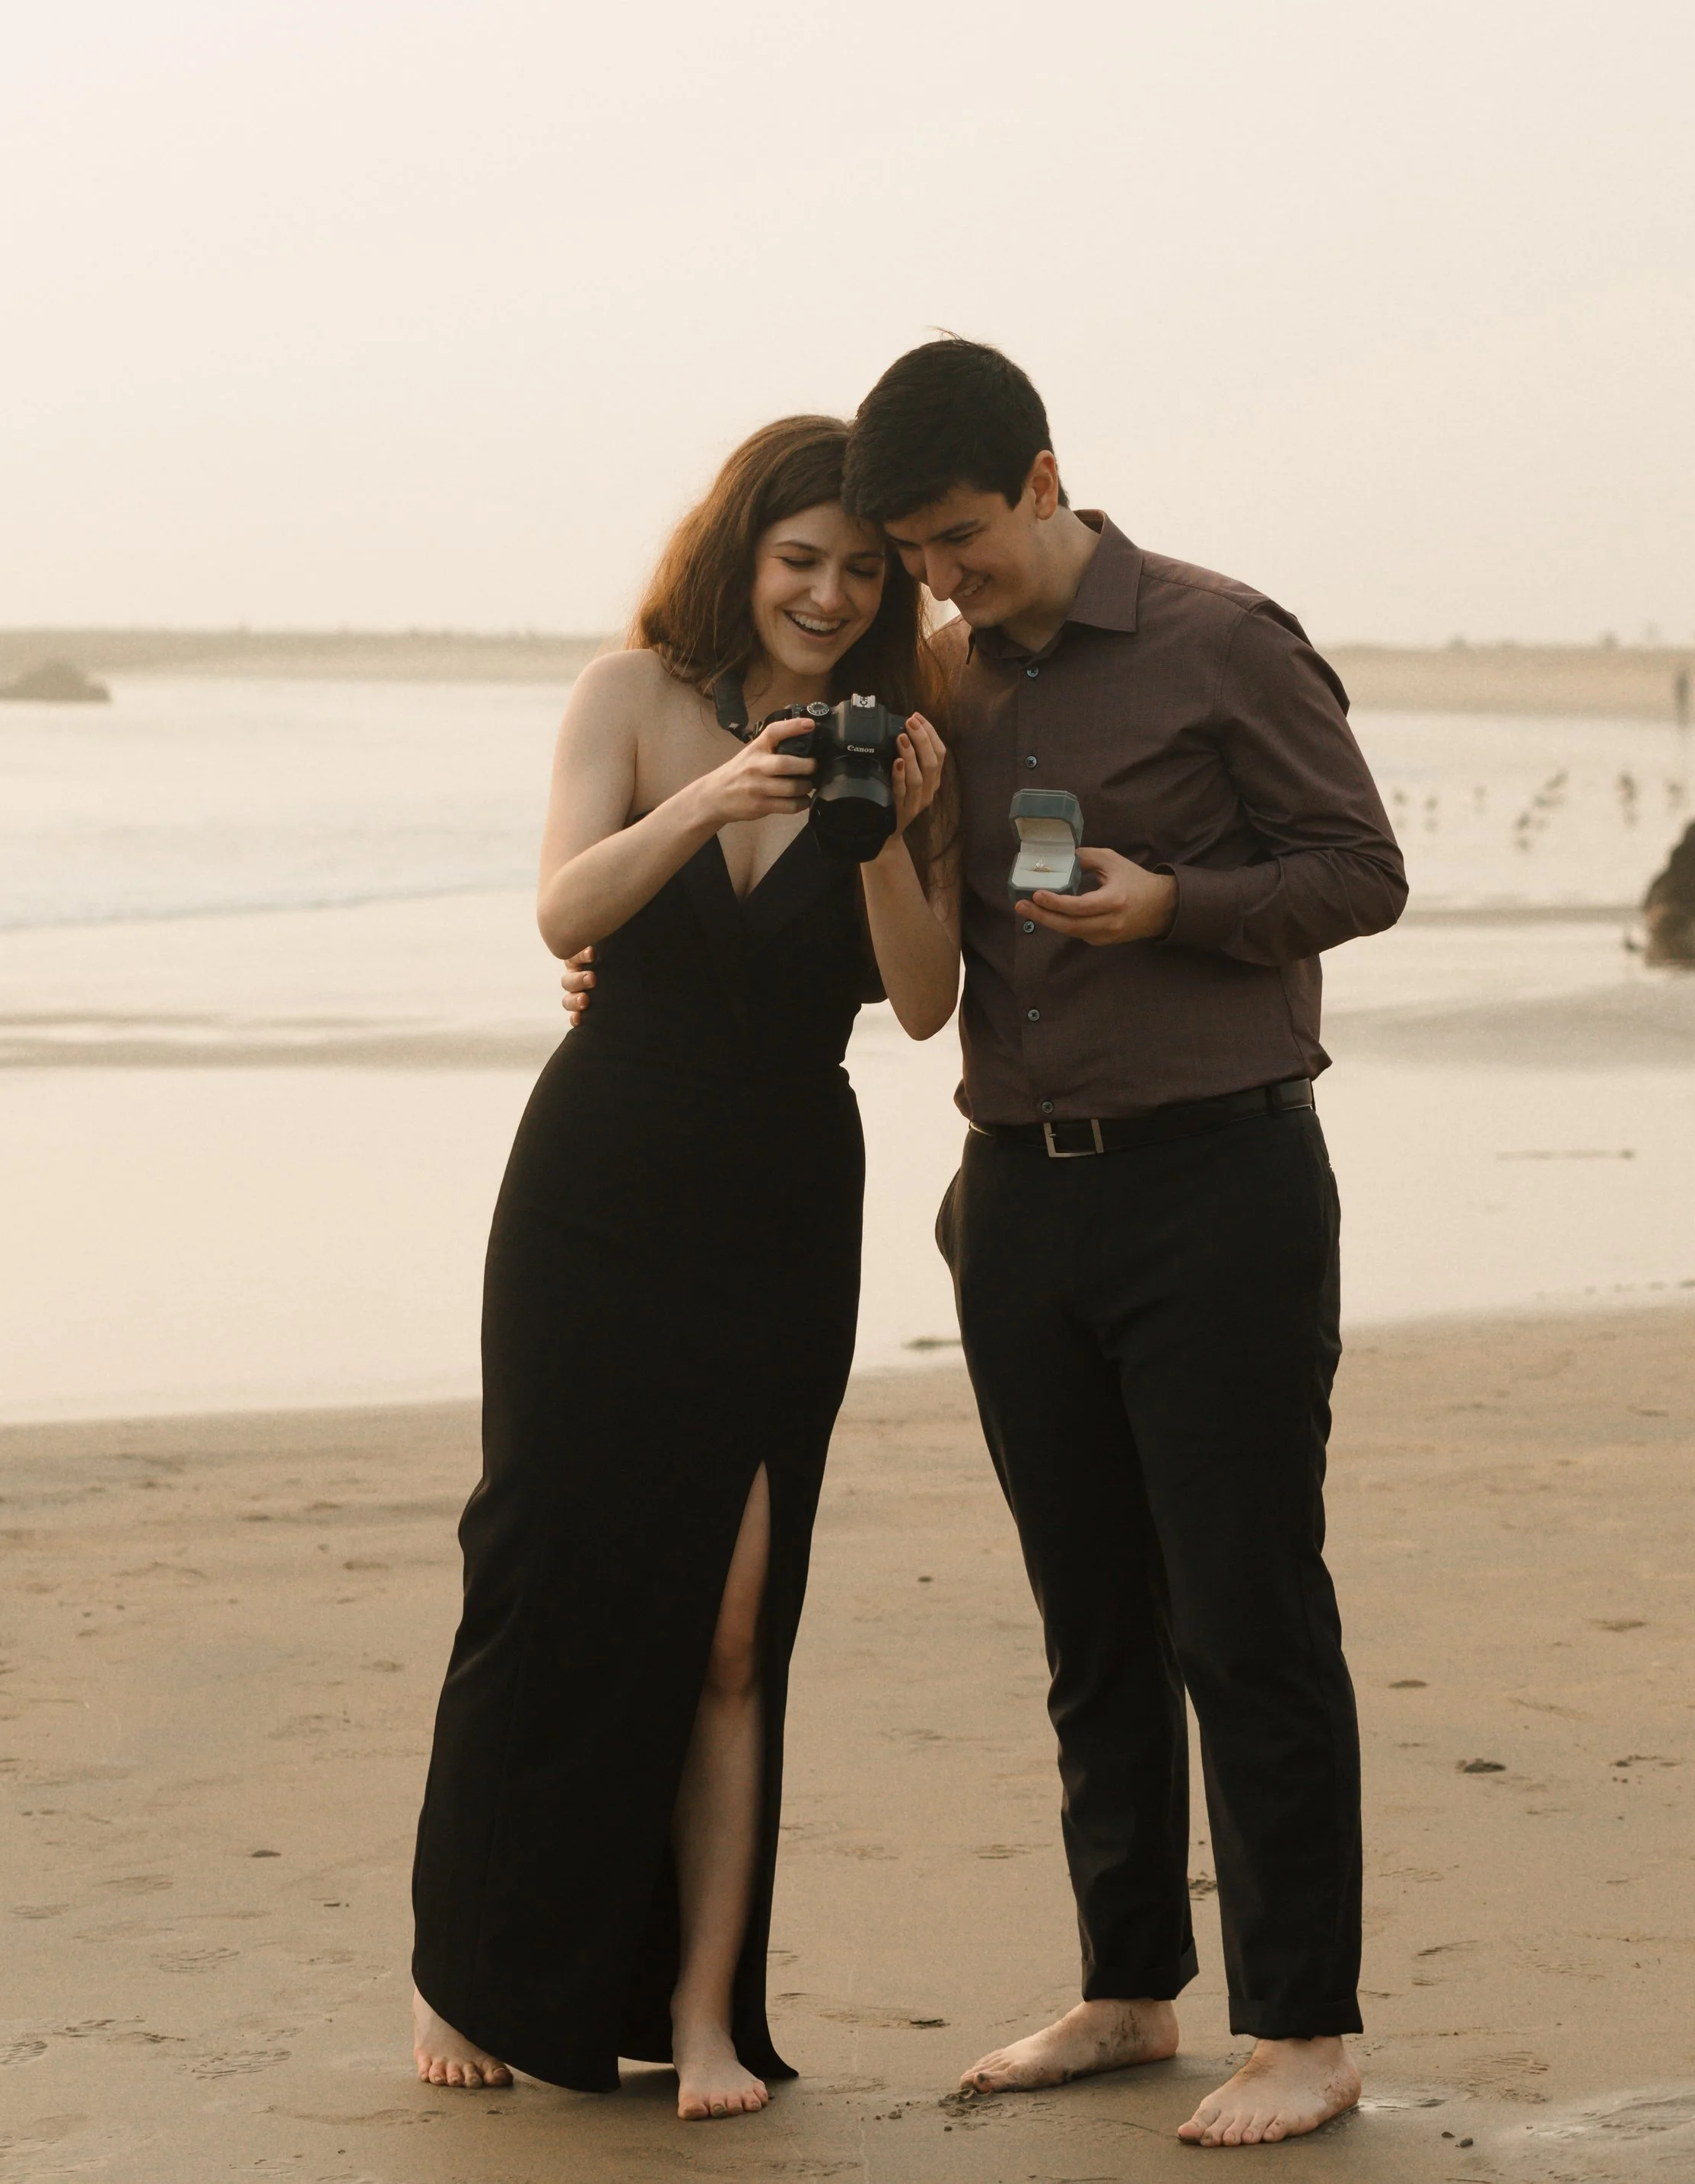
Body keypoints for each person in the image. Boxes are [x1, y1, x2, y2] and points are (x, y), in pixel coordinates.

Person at [841, 338, 1406, 2149]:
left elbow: (1361, 870)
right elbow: (902, 913)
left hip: (1216, 1187)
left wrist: (1179, 907)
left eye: (957, 538)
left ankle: (1302, 2029)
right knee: (1088, 1621)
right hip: (1013, 1199)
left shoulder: (1220, 639)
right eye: (911, 555)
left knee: (1243, 1614)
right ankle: (1125, 1990)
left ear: (1040, 476)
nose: (939, 580)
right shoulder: (943, 681)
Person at [412, 415, 957, 2120]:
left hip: (781, 1197)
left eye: (859, 570)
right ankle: (462, 1966)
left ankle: (705, 2015)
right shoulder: (630, 696)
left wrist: (884, 831)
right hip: (597, 1184)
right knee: (537, 1570)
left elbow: (924, 1000)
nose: (827, 594)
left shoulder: (903, 742)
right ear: (740, 551)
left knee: (734, 1625)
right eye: (800, 559)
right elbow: (565, 912)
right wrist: (715, 794)